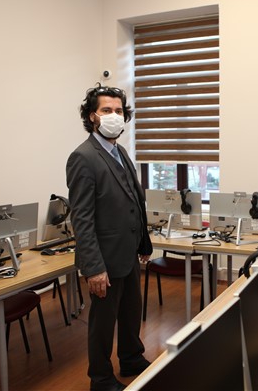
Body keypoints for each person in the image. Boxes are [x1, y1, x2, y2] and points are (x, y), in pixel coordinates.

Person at [66, 84, 153, 391]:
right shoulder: (83, 157)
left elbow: (134, 200)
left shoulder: (120, 152)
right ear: (93, 116)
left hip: (127, 252)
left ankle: (131, 358)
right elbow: (82, 218)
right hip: (104, 258)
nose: (114, 115)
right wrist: (93, 268)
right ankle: (101, 379)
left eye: (118, 110)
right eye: (106, 110)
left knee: (131, 312)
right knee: (103, 323)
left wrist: (144, 242)